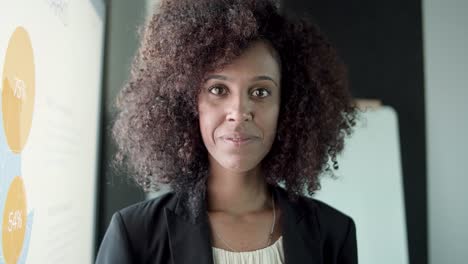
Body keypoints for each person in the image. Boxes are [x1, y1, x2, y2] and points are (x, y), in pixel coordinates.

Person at [96, 0, 359, 263]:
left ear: (288, 106)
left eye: (260, 92)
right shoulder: (134, 234)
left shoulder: (332, 233)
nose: (239, 111)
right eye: (218, 90)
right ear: (187, 103)